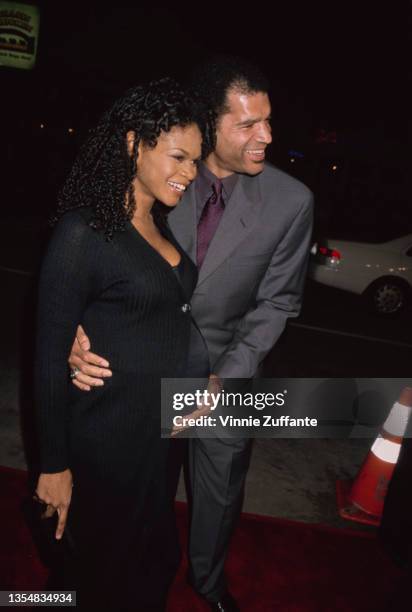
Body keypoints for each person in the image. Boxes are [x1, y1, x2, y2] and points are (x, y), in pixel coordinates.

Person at [69, 56, 314, 612]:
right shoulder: (160, 172)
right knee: (131, 499)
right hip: (142, 371)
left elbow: (278, 302)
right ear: (210, 121)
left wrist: (224, 377)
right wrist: (76, 331)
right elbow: (93, 261)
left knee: (220, 492)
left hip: (229, 371)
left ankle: (208, 583)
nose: (266, 136)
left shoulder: (292, 201)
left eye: (268, 121)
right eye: (248, 124)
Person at [34, 78, 213, 612]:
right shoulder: (83, 232)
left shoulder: (157, 221)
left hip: (158, 440)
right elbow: (46, 356)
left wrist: (194, 384)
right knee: (98, 578)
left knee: (153, 564)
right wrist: (53, 466)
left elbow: (163, 321)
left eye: (195, 160)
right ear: (134, 144)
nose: (189, 173)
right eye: (178, 157)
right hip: (106, 441)